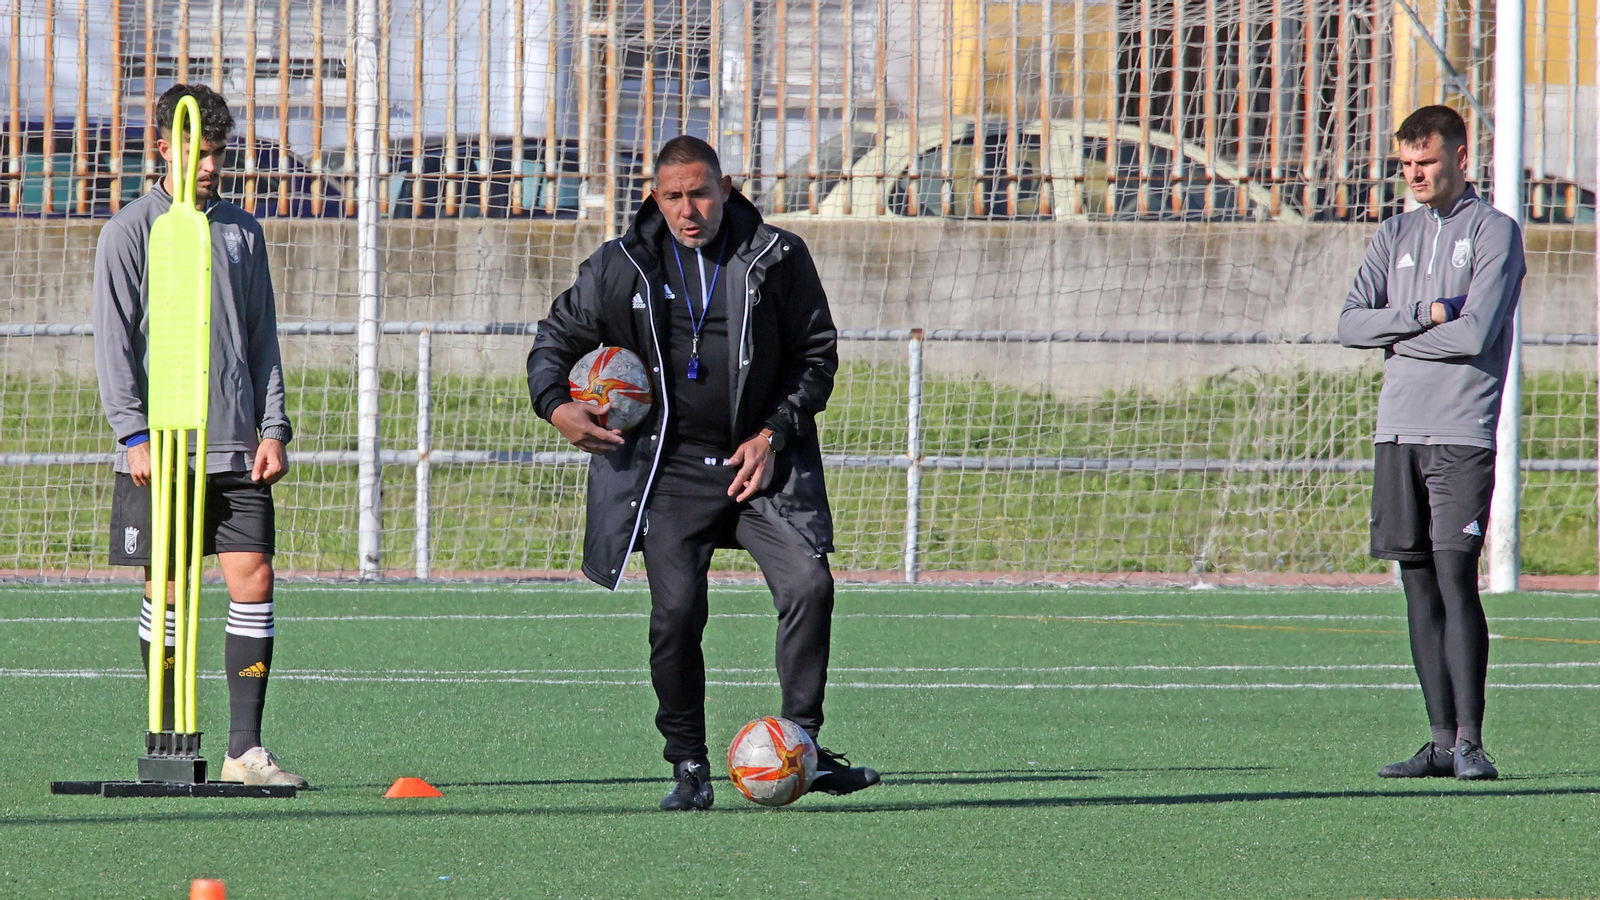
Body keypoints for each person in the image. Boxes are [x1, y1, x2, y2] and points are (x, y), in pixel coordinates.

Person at [527, 135, 880, 810]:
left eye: (700, 193)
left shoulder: (776, 257)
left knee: (809, 583)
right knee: (677, 613)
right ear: (654, 198)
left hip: (761, 466)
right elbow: (554, 340)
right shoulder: (621, 265)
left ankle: (801, 746)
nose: (689, 210)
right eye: (674, 196)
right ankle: (688, 765)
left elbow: (816, 358)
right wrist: (558, 408)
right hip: (670, 470)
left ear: (726, 188)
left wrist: (774, 434)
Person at [94, 84, 305, 787]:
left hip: (237, 447)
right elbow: (114, 343)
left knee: (253, 577)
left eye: (218, 153)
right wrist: (132, 434)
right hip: (160, 448)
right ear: (164, 145)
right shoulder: (130, 230)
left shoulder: (243, 231)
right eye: (198, 150)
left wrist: (272, 428)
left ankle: (245, 749)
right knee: (168, 586)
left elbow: (263, 340)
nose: (210, 165)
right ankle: (166, 739)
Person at [1338, 104, 1525, 781]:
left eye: (1427, 162)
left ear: (1458, 157)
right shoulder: (1394, 234)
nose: (1415, 175)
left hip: (1460, 435)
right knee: (1416, 586)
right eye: (1406, 165)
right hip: (1397, 430)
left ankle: (1473, 740)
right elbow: (1350, 325)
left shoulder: (1494, 232)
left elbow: (1477, 334)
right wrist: (1421, 314)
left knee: (1455, 578)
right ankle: (1441, 740)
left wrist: (1400, 335)